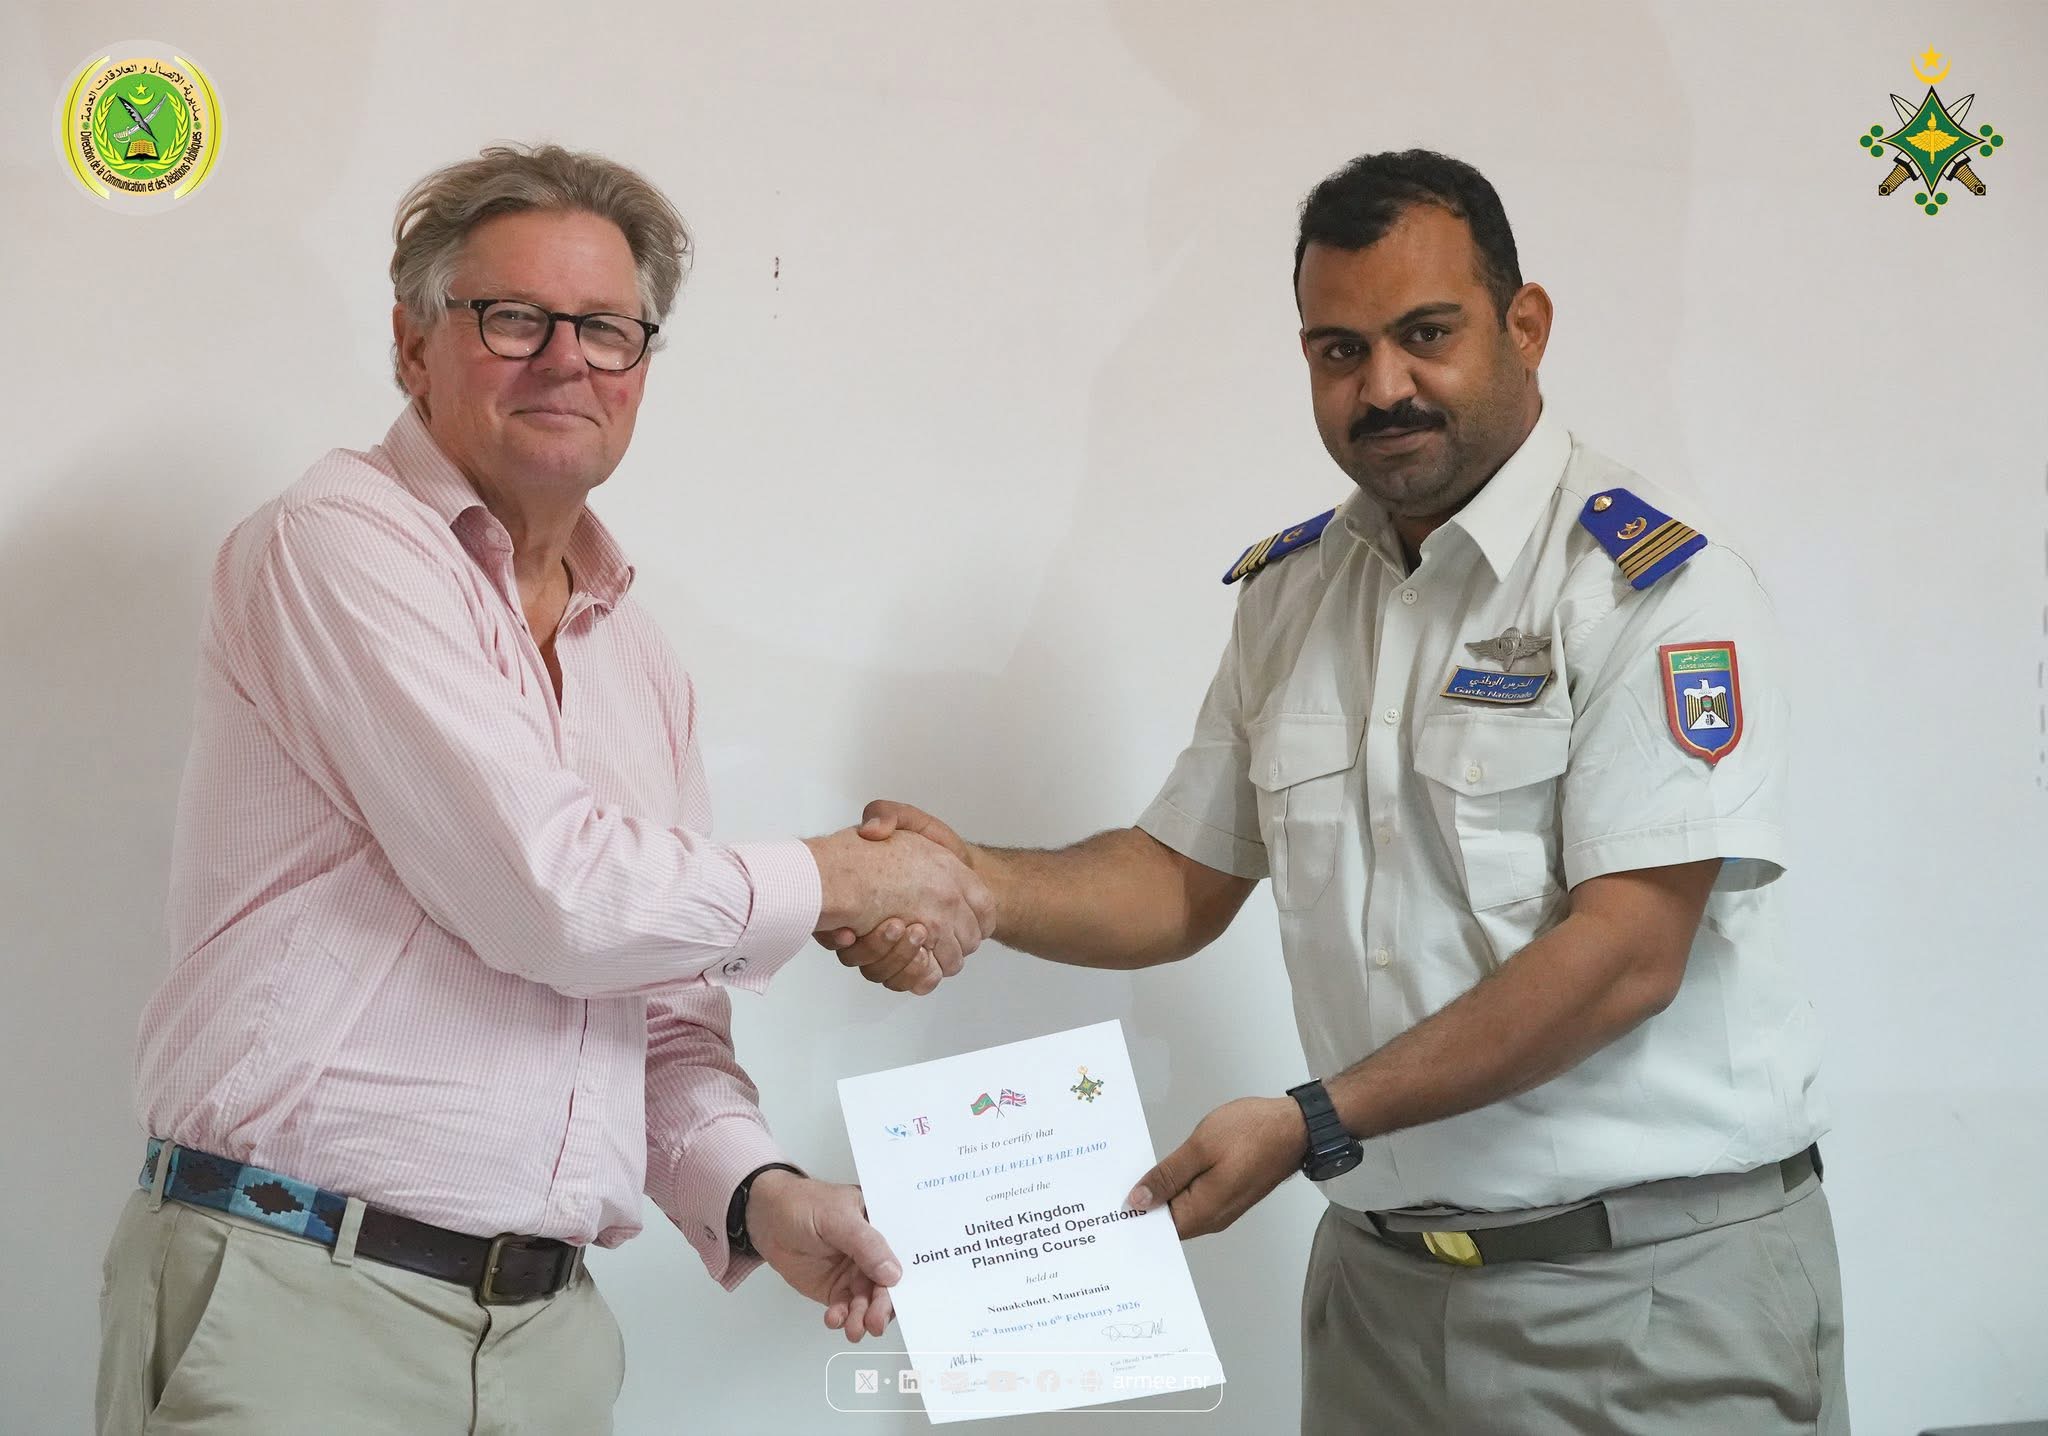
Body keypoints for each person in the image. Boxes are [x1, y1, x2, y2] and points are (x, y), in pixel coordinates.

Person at [827, 149, 1846, 1434]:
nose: (1382, 387)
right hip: (1379, 1300)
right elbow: (1179, 877)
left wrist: (1314, 1119)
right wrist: (968, 881)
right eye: (1337, 350)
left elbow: (1627, 953)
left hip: (1644, 1297)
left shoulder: (1650, 586)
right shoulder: (1293, 594)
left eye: (1427, 334)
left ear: (1525, 325)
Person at [96, 143, 990, 1436]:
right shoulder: (336, 542)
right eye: (513, 317)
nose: (566, 360)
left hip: (545, 1340)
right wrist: (848, 878)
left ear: (641, 367)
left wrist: (761, 1196)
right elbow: (554, 893)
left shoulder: (637, 658)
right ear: (413, 345)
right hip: (297, 1304)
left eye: (607, 329)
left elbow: (661, 1015)